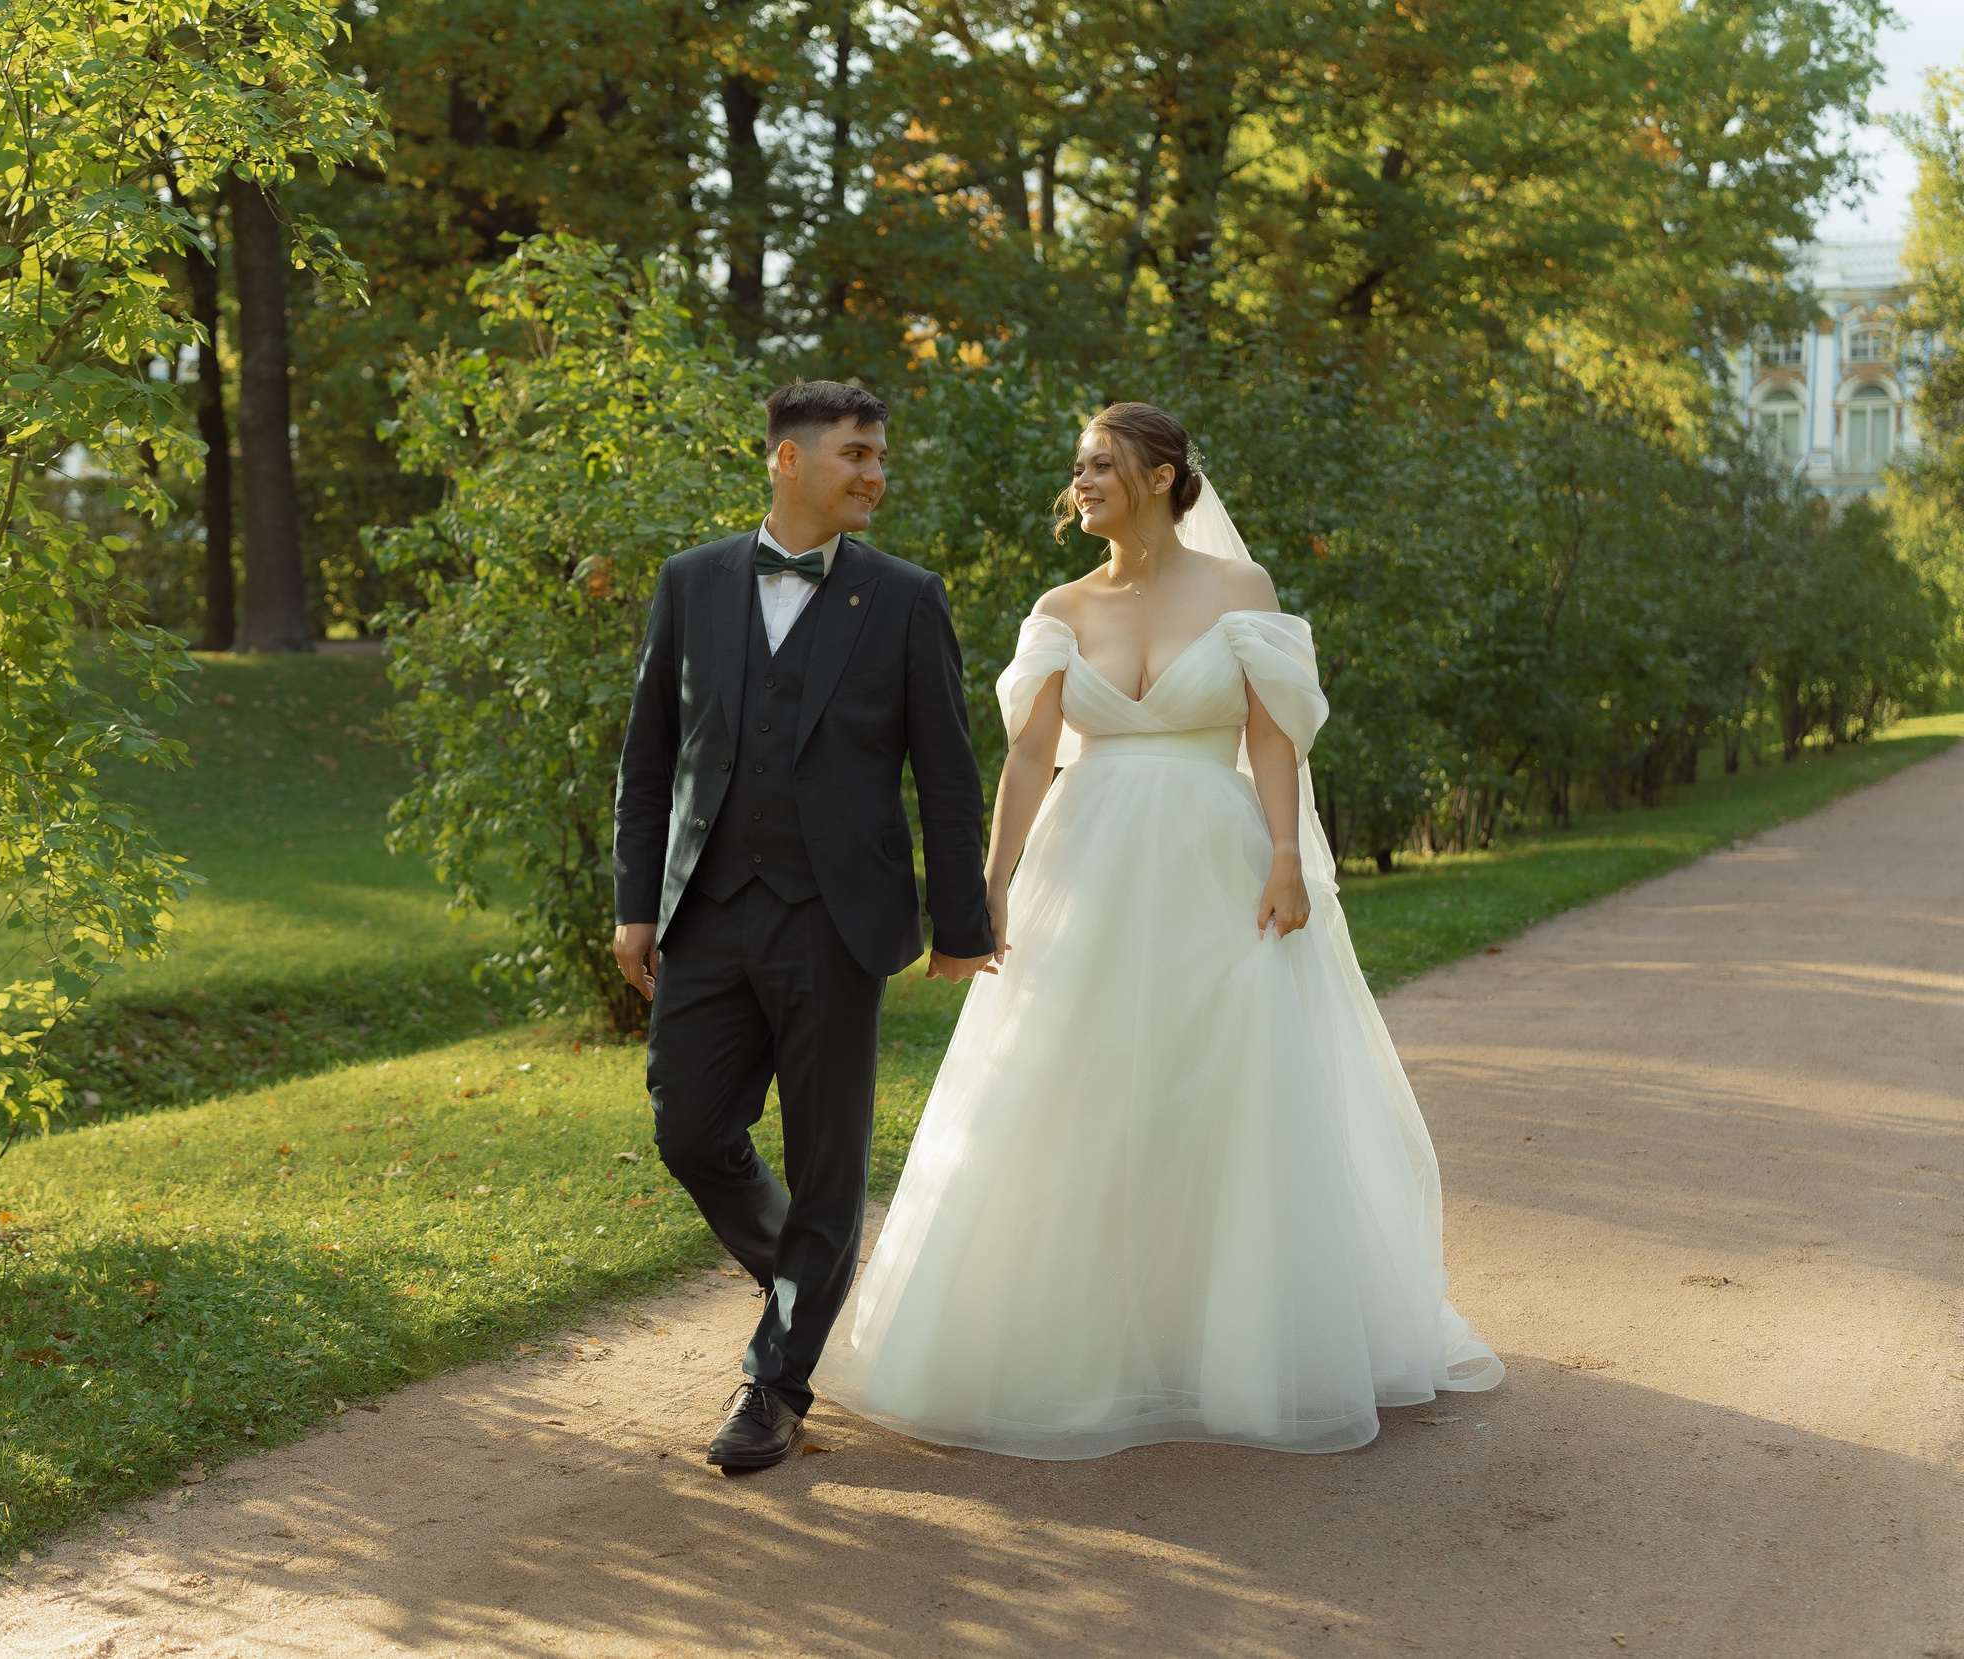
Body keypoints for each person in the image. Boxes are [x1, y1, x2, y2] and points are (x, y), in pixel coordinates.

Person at [813, 402, 1504, 1458]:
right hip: (1084, 869)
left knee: (1219, 1086)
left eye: (1101, 464)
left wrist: (1285, 855)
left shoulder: (1240, 590)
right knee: (1070, 1088)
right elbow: (1030, 756)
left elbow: (1271, 737)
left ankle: (1227, 1344)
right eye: (1079, 465)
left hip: (1214, 865)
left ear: (1162, 475)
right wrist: (992, 885)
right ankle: (1072, 1344)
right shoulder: (1060, 606)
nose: (1081, 482)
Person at [612, 380, 997, 1471]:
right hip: (706, 910)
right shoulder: (691, 582)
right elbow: (650, 756)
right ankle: (812, 1280)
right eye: (856, 453)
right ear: (789, 459)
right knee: (690, 1129)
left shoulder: (906, 598)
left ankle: (774, 1383)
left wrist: (961, 920)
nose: (876, 473)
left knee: (827, 1161)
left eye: (880, 456)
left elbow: (947, 773)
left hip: (837, 920)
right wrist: (635, 902)